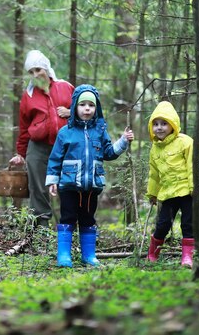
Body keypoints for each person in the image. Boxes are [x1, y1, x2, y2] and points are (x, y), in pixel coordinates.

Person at [46, 85, 134, 267]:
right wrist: (53, 180)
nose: (87, 108)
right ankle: (64, 256)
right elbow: (55, 158)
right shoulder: (65, 133)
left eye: (91, 105)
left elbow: (109, 152)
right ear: (74, 108)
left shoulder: (99, 131)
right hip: (69, 186)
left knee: (88, 219)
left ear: (96, 109)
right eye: (83, 105)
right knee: (67, 218)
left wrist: (123, 141)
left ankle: (88, 255)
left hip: (91, 186)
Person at [9, 50, 74, 227]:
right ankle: (41, 231)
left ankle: (69, 229)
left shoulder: (65, 87)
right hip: (38, 147)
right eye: (31, 72)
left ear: (46, 68)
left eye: (38, 69)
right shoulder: (28, 96)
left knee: (67, 187)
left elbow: (85, 111)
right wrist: (21, 153)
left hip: (65, 147)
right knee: (38, 188)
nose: (35, 74)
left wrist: (70, 112)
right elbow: (24, 127)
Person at [145, 101, 195, 267]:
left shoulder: (185, 142)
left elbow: (192, 165)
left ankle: (187, 257)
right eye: (156, 124)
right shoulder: (155, 149)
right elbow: (154, 174)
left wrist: (195, 187)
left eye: (164, 123)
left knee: (188, 224)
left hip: (186, 191)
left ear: (173, 124)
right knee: (162, 224)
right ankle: (152, 254)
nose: (159, 128)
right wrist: (152, 193)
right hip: (167, 193)